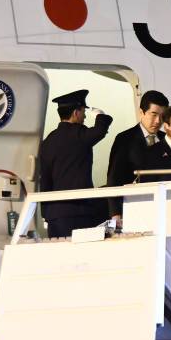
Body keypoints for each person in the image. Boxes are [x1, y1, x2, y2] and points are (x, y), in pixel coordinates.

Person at [39, 89, 113, 238]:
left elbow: (45, 180)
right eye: (83, 111)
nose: (85, 115)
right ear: (75, 113)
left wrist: (46, 213)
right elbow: (99, 131)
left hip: (55, 215)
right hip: (79, 213)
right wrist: (100, 115)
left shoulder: (48, 141)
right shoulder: (79, 134)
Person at [106, 90, 169, 222]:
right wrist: (116, 214)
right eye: (154, 115)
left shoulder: (167, 140)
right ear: (141, 112)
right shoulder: (125, 139)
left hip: (163, 209)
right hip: (133, 208)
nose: (158, 121)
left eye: (162, 116)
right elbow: (114, 178)